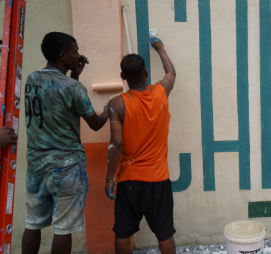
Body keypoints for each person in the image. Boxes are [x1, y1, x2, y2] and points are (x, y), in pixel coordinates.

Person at [22, 32, 109, 254]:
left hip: (36, 165)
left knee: (32, 223)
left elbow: (60, 105)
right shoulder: (72, 88)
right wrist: (110, 108)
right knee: (63, 229)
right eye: (75, 51)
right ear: (63, 55)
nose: (78, 55)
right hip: (67, 166)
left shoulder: (32, 79)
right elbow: (96, 124)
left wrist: (75, 75)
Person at [105, 38, 176, 254]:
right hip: (158, 179)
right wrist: (161, 49)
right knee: (164, 233)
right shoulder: (161, 91)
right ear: (146, 73)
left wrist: (110, 178)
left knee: (123, 232)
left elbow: (116, 143)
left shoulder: (116, 103)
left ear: (122, 77)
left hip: (129, 180)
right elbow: (171, 73)